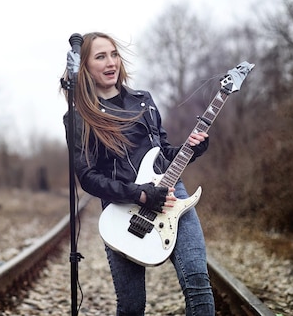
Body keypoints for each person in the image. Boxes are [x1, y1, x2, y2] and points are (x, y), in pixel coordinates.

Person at [63, 32, 215, 315]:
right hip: (123, 209)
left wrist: (192, 149)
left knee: (197, 280)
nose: (111, 62)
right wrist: (141, 193)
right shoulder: (80, 117)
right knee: (132, 304)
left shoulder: (143, 100)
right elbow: (88, 177)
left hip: (171, 196)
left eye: (114, 54)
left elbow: (163, 152)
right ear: (84, 67)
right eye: (100, 56)